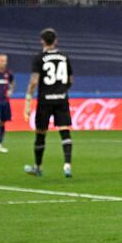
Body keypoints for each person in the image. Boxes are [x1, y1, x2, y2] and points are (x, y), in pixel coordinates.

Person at [23, 28, 74, 178]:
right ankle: (67, 166)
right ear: (56, 41)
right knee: (65, 132)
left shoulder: (39, 58)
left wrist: (27, 101)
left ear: (42, 41)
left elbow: (34, 82)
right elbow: (70, 80)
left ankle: (38, 167)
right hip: (61, 99)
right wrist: (62, 90)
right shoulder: (65, 57)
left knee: (41, 133)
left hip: (45, 100)